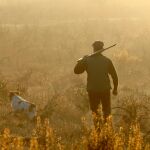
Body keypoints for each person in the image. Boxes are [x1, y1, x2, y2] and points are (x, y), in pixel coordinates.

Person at [74, 41, 118, 121]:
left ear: (93, 49)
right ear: (102, 49)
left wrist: (81, 61)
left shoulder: (87, 60)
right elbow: (114, 76)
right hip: (105, 90)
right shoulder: (107, 60)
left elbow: (76, 71)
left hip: (93, 91)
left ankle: (98, 132)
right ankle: (108, 131)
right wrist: (115, 89)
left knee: (95, 113)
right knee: (107, 112)